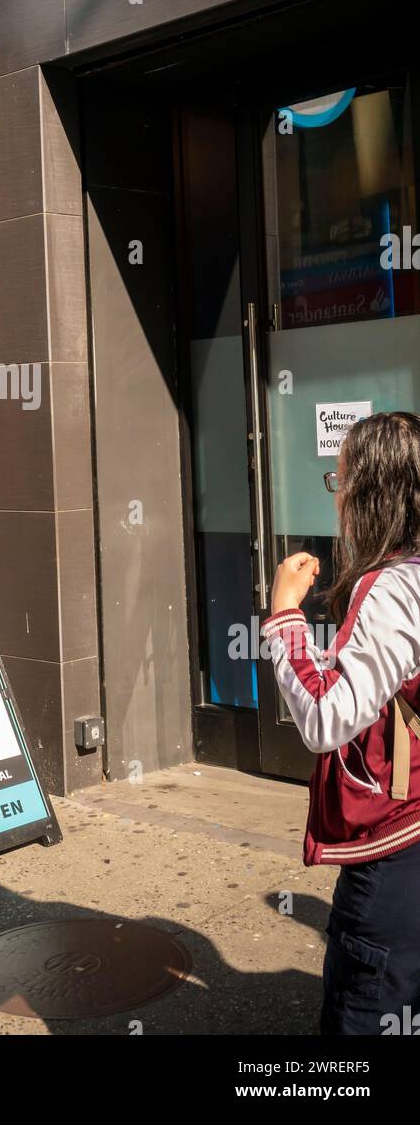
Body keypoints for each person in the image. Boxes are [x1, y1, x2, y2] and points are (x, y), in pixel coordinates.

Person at [262, 410, 420, 1035]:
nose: (338, 496)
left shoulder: (390, 588)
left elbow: (327, 718)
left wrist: (283, 617)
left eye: (341, 480)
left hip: (396, 850)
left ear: (370, 492)